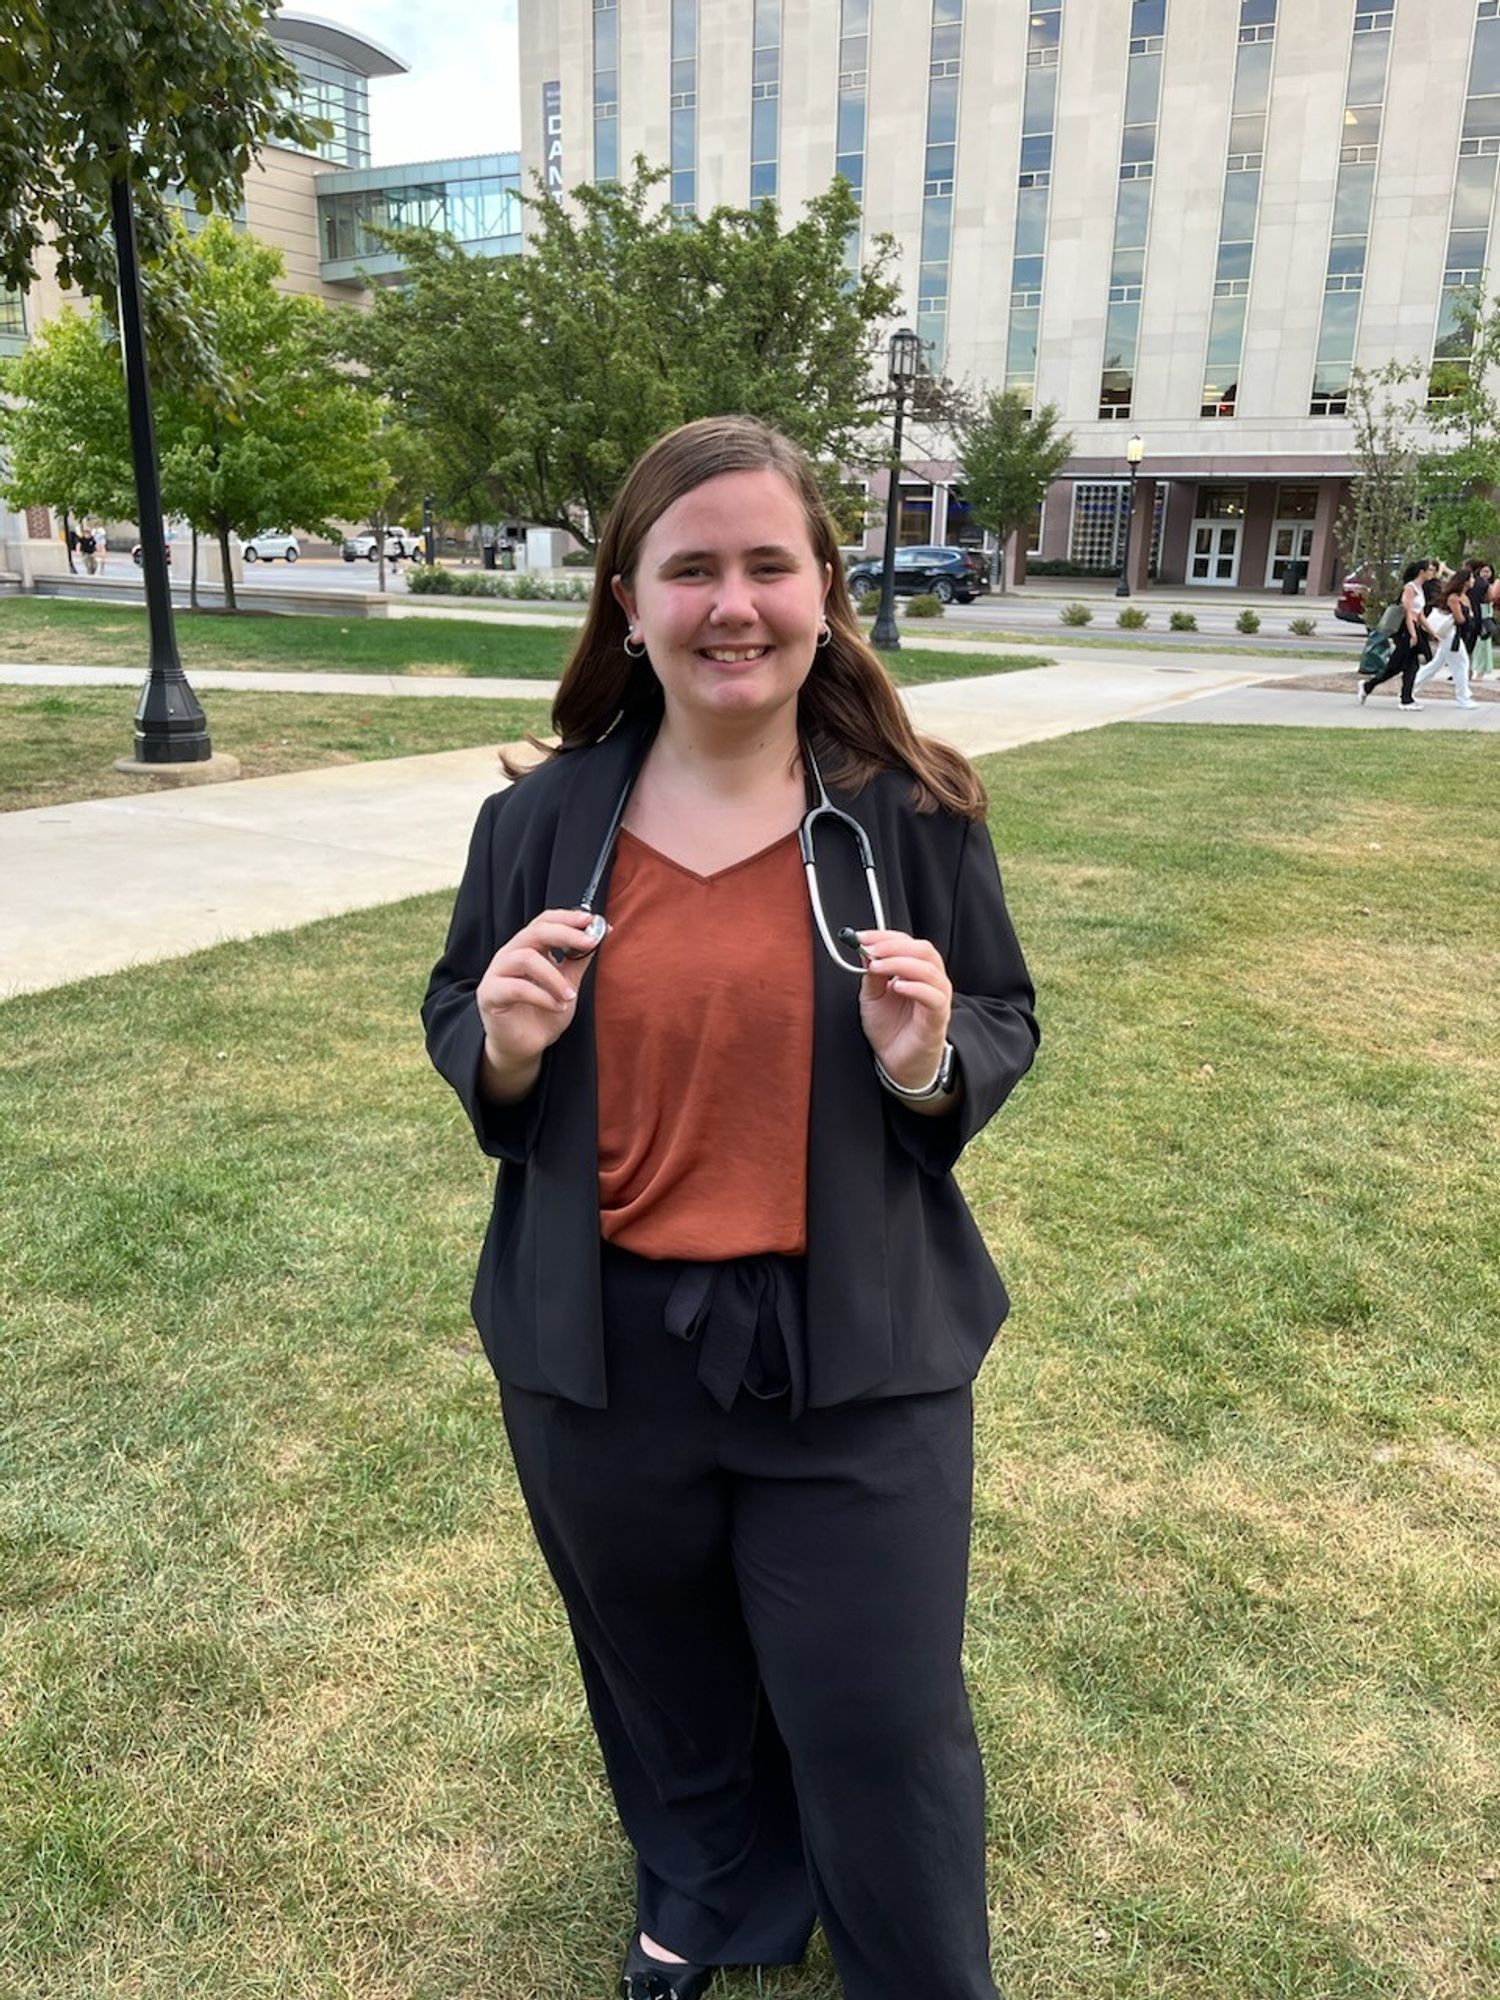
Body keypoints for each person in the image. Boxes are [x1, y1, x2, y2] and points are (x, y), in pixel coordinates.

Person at [423, 416, 1039, 2000]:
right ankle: (715, 1896)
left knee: (875, 1709)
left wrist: (924, 1062)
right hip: (604, 1353)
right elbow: (461, 1014)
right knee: (665, 1677)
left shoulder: (910, 814)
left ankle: (914, 1971)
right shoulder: (538, 825)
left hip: (854, 1348)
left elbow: (1003, 1018)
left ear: (826, 593)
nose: (732, 605)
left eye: (770, 565)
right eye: (689, 569)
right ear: (626, 599)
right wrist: (497, 1045)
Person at [1360, 558, 1439, 709]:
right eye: (1430, 570)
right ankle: (1405, 699)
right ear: (1421, 572)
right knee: (1407, 664)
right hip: (1405, 629)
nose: (1432, 573)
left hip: (1414, 627)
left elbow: (1420, 614)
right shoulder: (1409, 588)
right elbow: (1407, 613)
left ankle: (1370, 687)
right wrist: (1413, 634)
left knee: (1400, 665)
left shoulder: (1420, 589)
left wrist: (1431, 632)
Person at [1413, 563, 1479, 707]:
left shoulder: (1464, 597)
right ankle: (1463, 697)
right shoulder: (1453, 598)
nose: (1474, 581)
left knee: (1435, 665)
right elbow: (1460, 618)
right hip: (1449, 635)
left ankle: (1410, 687)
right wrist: (1468, 616)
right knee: (1462, 664)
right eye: (1472, 578)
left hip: (1455, 634)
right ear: (1465, 581)